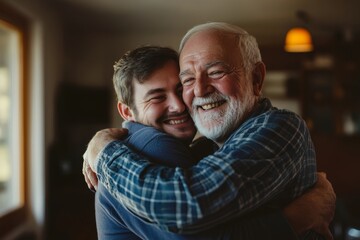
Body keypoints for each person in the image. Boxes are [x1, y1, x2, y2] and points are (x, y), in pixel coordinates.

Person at [84, 23, 336, 239]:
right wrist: (295, 219)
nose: (199, 91)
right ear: (126, 111)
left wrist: (105, 152)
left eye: (216, 72)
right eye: (189, 80)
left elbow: (187, 204)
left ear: (256, 79)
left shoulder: (280, 127)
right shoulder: (197, 148)